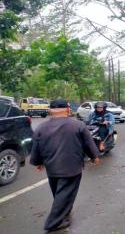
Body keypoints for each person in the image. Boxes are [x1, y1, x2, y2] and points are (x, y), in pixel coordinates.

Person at [30, 99, 100, 233]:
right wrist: (94, 157)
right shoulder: (78, 125)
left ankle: (64, 212)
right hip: (71, 168)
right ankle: (52, 223)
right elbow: (88, 143)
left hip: (51, 167)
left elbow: (36, 147)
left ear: (50, 111)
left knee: (58, 193)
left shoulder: (41, 127)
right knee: (64, 194)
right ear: (68, 110)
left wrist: (38, 162)